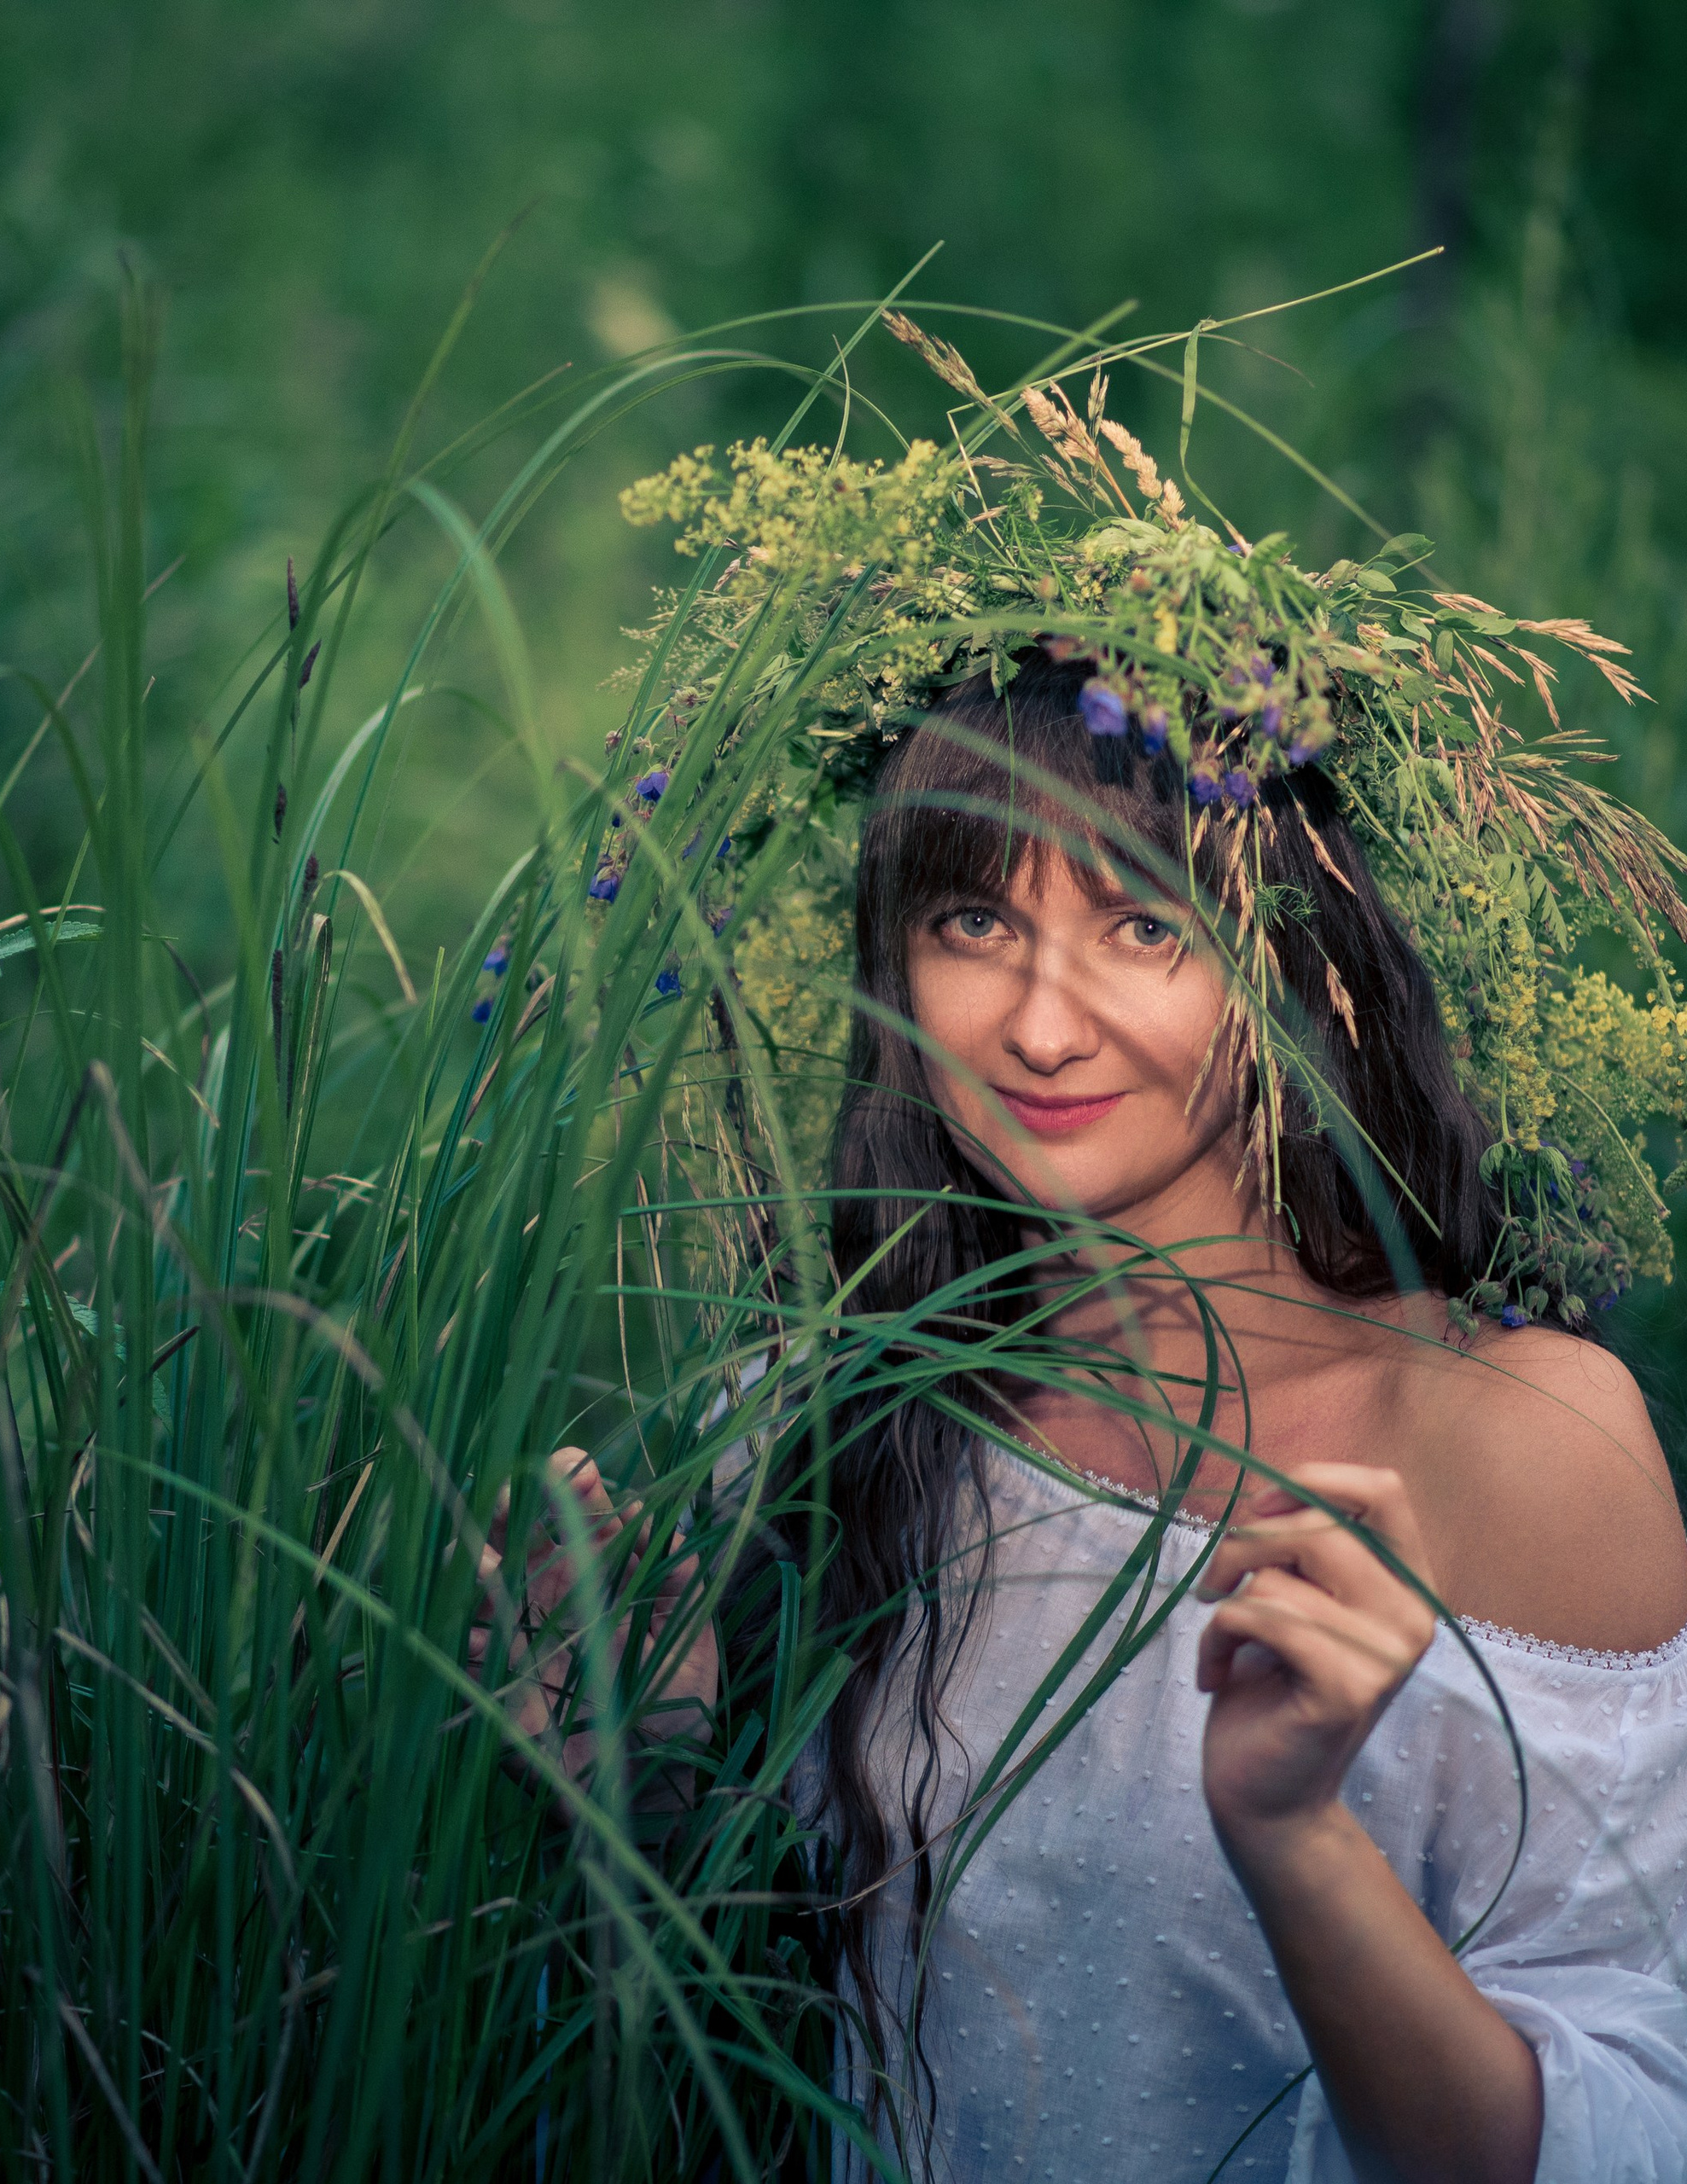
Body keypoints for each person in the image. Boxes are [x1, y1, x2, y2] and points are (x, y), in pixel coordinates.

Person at [479, 380, 1687, 2178]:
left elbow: (1621, 2129)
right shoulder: (816, 1414)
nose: (1038, 1022)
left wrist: (1292, 1830)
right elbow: (774, 2042)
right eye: (971, 922)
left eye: (1142, 921)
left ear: (1291, 961)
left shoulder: (1509, 1440)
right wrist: (628, 1773)